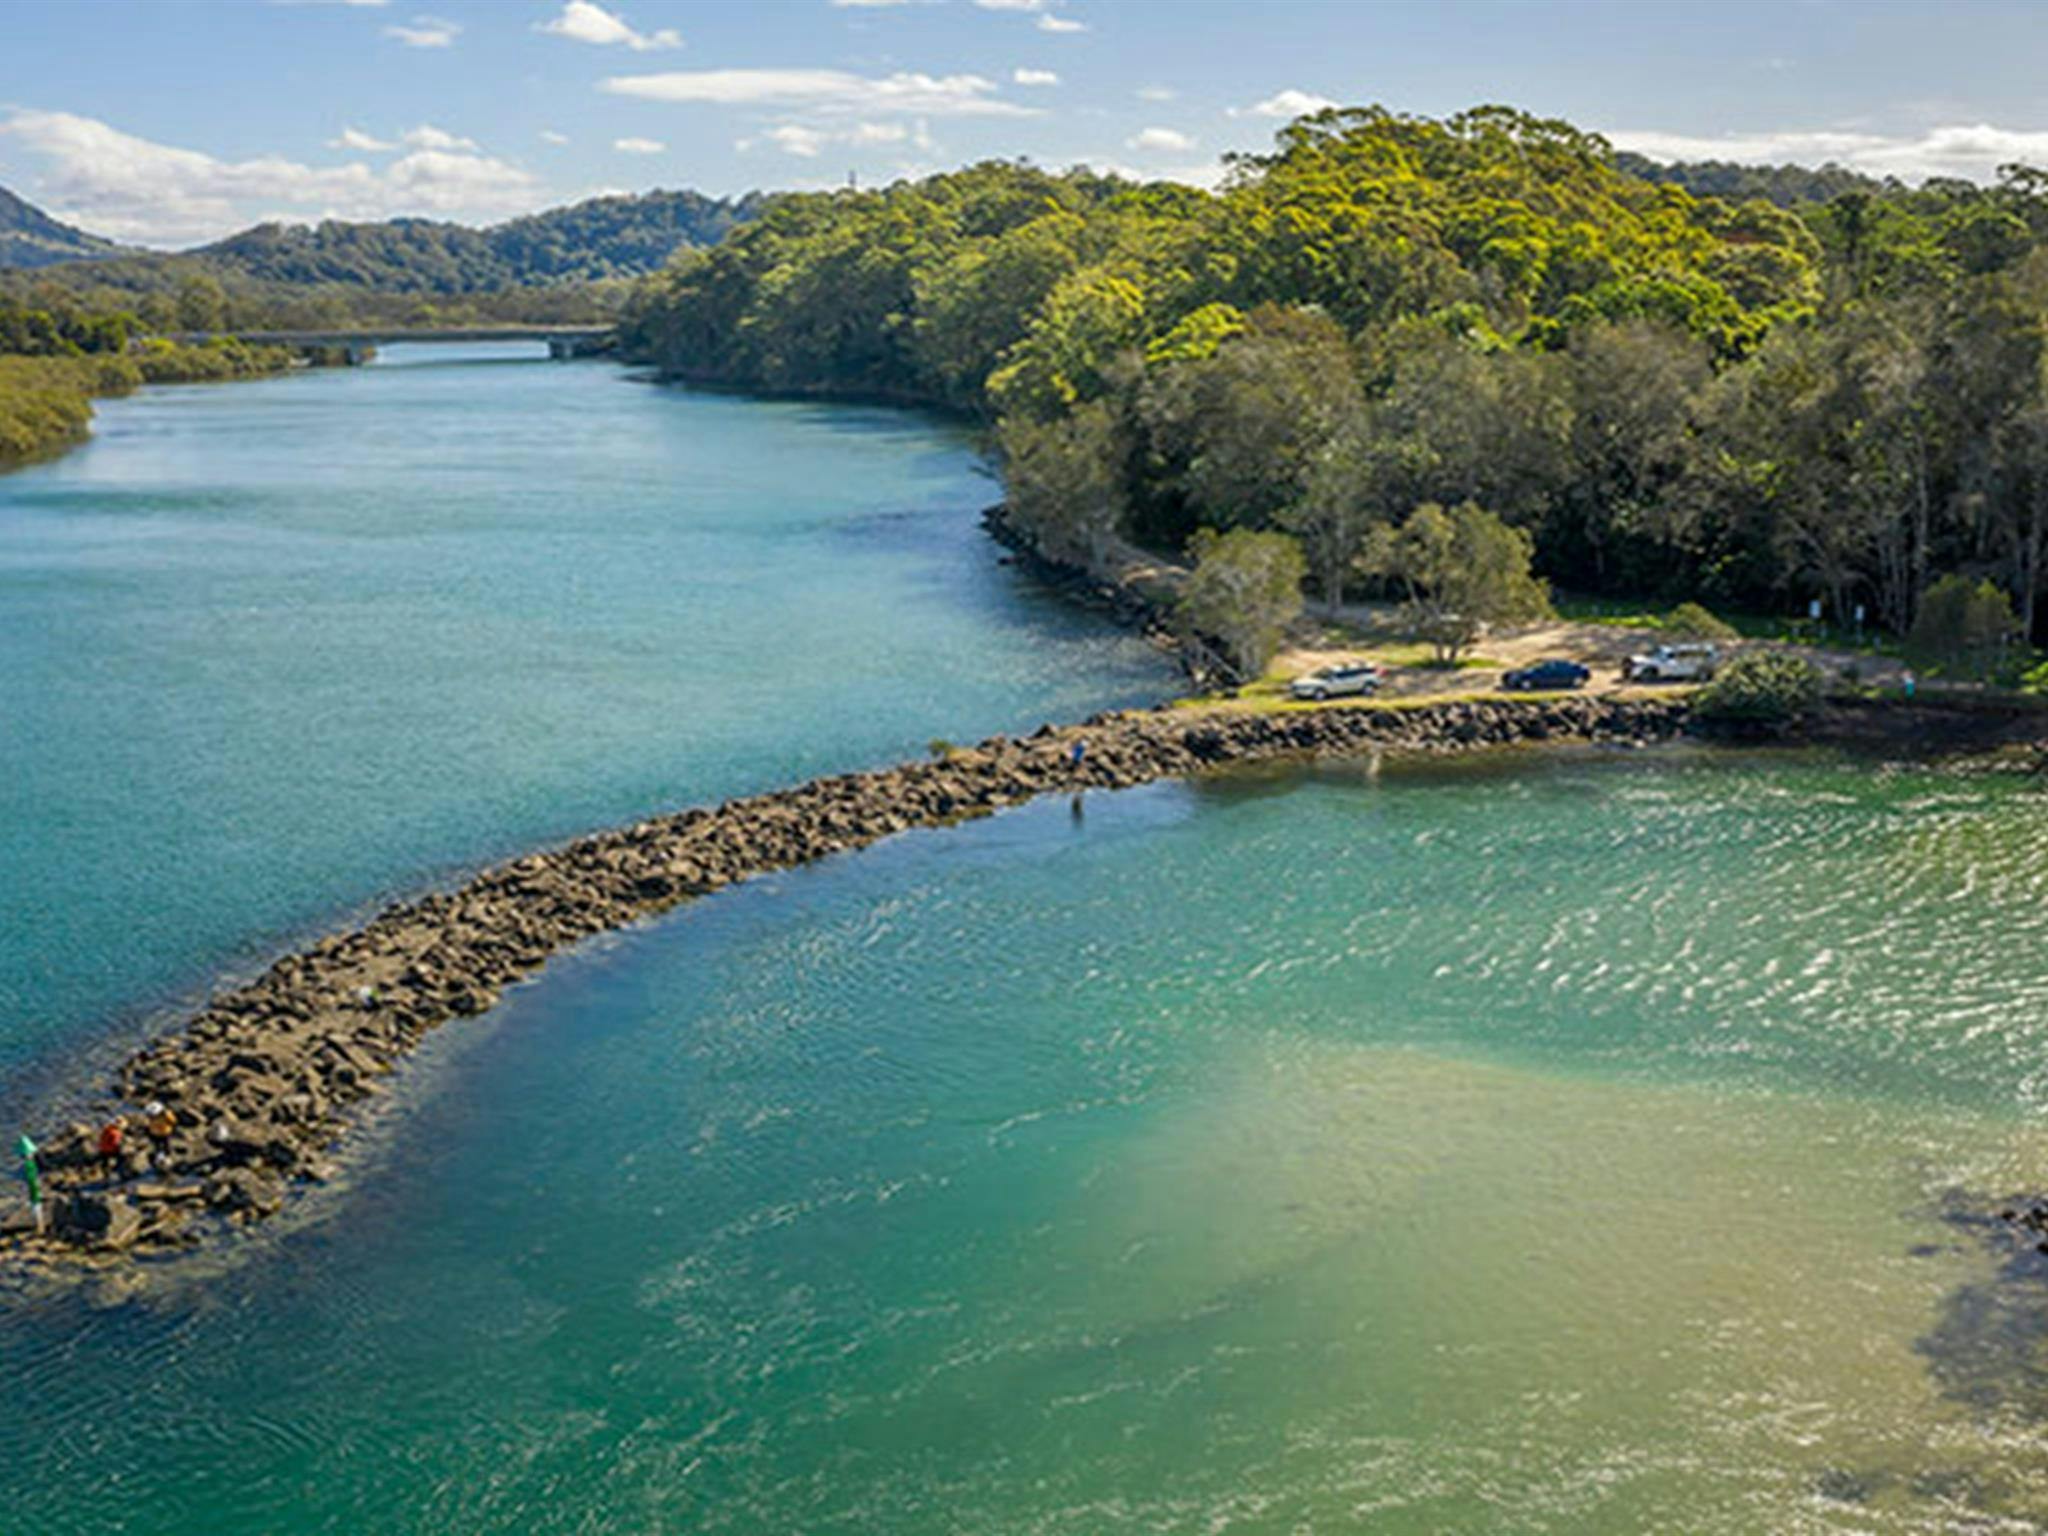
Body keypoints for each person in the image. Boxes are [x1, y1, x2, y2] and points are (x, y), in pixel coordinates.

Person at [17, 1135, 43, 1236]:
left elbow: (31, 1178)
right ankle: (40, 1226)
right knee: (36, 1206)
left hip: (33, 1187)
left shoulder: (28, 1164)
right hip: (34, 1187)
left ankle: (39, 1227)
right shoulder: (30, 1164)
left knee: (36, 1206)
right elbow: (32, 1178)